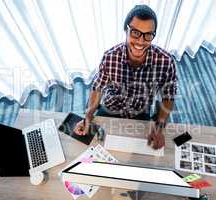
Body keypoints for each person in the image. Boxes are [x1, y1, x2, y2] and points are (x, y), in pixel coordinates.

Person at [74, 5, 177, 149]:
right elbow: (97, 88)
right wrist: (88, 116)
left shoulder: (166, 62)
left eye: (148, 34)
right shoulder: (110, 57)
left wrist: (159, 127)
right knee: (92, 148)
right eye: (135, 32)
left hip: (140, 112)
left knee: (141, 155)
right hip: (110, 108)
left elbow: (168, 97)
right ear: (125, 30)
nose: (141, 42)